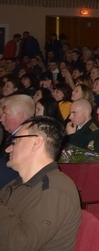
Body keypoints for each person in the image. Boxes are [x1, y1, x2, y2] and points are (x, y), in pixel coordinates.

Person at [0, 116, 81, 251]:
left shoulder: (55, 189)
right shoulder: (15, 184)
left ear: (36, 143)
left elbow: (20, 245)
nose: (8, 149)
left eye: (15, 142)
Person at [0, 95, 36, 188]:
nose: (1, 119)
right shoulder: (10, 136)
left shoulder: (28, 141)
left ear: (20, 116)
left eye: (6, 114)